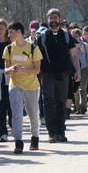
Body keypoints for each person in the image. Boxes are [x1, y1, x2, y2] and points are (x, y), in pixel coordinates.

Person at [36, 9, 80, 143]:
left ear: (59, 19)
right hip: (47, 74)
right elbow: (36, 57)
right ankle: (52, 133)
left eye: (55, 17)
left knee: (61, 103)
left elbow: (74, 55)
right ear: (47, 19)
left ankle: (61, 131)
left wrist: (77, 71)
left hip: (64, 74)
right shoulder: (42, 37)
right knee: (48, 102)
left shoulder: (67, 36)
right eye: (50, 18)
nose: (53, 20)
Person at [3, 22, 43, 154]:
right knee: (16, 115)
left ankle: (35, 137)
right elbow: (6, 69)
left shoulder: (33, 48)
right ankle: (18, 141)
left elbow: (37, 70)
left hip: (31, 86)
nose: (9, 35)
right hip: (15, 85)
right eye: (8, 32)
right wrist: (12, 68)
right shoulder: (8, 49)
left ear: (19, 32)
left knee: (33, 113)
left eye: (11, 32)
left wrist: (24, 69)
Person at [71, 29, 88, 114]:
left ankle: (83, 107)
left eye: (76, 36)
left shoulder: (85, 46)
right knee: (75, 90)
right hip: (73, 70)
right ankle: (77, 107)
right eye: (72, 36)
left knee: (82, 88)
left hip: (84, 68)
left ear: (79, 36)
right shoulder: (70, 46)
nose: (74, 38)